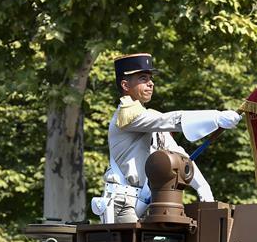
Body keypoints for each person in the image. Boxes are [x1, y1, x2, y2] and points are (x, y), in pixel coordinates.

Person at [95, 53, 242, 223]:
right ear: (125, 84)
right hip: (122, 204)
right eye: (143, 78)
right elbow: (171, 120)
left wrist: (202, 186)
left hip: (147, 203)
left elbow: (179, 155)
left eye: (151, 78)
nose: (151, 83)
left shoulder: (149, 118)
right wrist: (215, 118)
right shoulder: (127, 115)